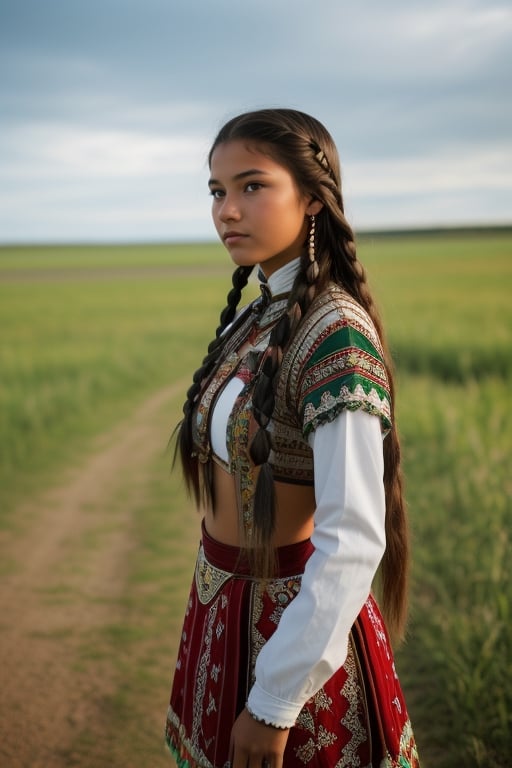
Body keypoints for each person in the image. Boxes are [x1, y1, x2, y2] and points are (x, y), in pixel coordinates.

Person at [165, 108, 420, 768]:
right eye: (217, 192)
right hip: (224, 613)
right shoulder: (261, 315)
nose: (227, 210)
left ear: (311, 196)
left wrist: (275, 699)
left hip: (291, 640)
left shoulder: (333, 329)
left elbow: (355, 537)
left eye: (252, 186)